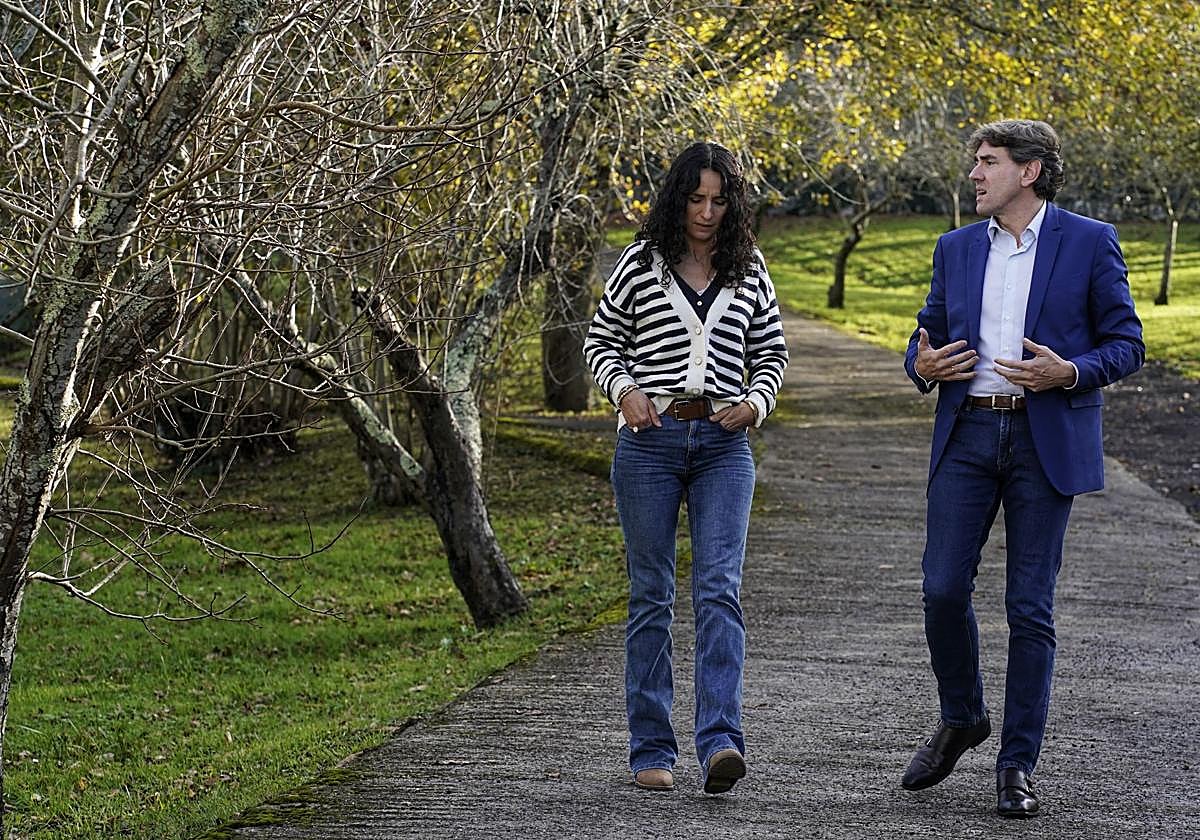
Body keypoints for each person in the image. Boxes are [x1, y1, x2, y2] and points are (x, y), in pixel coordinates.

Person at [901, 119, 1144, 817]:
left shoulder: (1090, 241)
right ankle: (962, 716)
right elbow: (924, 335)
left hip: (1045, 441)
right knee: (942, 589)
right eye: (976, 161)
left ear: (1029, 170)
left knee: (1029, 607)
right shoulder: (955, 247)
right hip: (968, 434)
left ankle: (1016, 764)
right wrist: (920, 363)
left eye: (988, 161)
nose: (975, 174)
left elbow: (1127, 342)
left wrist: (1071, 371)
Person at [584, 142, 788, 794]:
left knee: (719, 590)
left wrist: (757, 402)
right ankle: (651, 748)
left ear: (733, 204)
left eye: (719, 201)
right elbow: (601, 341)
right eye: (696, 199)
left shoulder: (749, 267)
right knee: (652, 594)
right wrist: (624, 390)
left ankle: (721, 743)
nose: (706, 212)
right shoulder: (640, 263)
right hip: (650, 443)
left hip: (725, 446)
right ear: (678, 198)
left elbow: (772, 352)